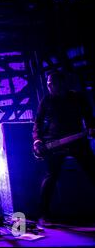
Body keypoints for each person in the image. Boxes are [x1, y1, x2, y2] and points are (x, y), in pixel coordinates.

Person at [33, 71, 95, 226]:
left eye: (51, 83)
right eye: (47, 83)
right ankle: (43, 215)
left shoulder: (77, 97)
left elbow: (89, 117)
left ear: (62, 83)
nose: (49, 86)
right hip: (54, 143)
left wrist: (92, 127)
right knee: (51, 176)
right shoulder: (46, 100)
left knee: (93, 171)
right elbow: (38, 122)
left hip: (77, 140)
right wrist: (37, 140)